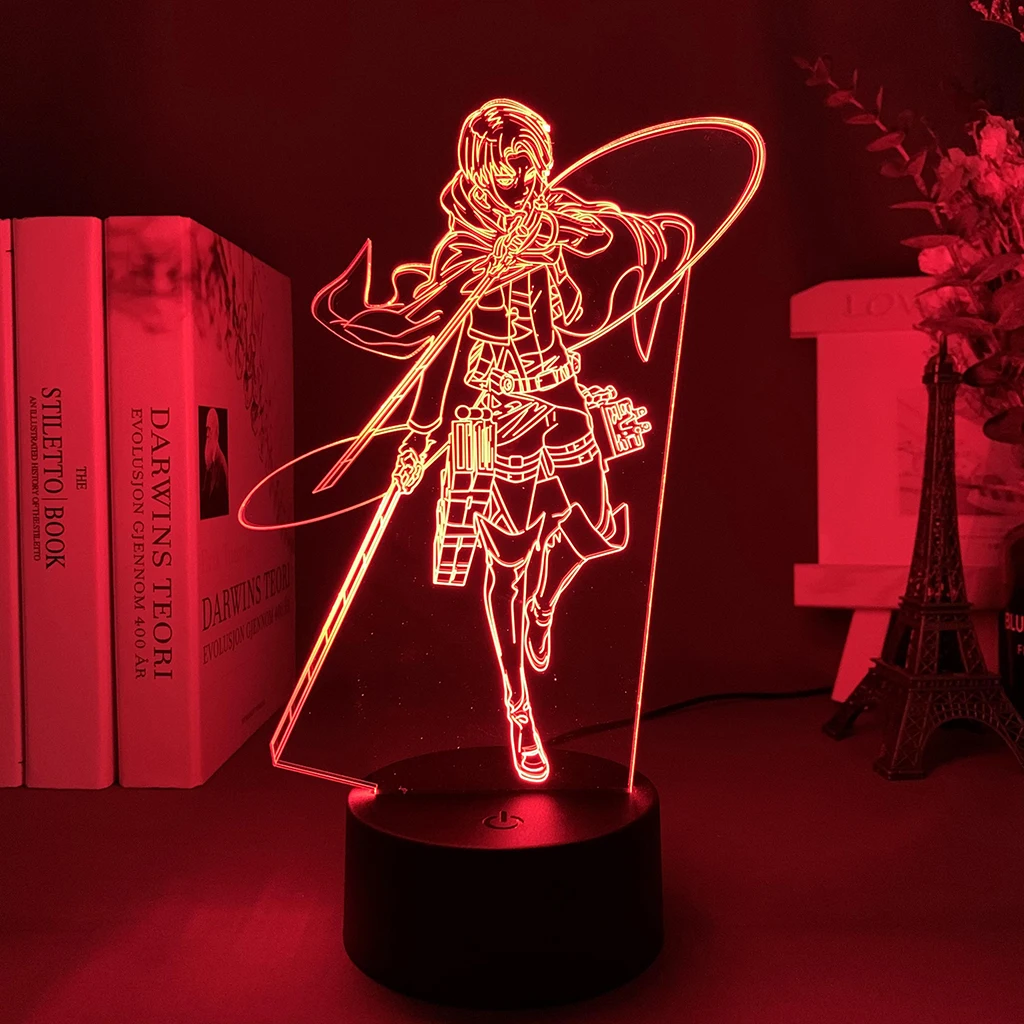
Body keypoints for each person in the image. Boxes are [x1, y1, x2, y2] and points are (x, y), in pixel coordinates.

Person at [315, 99, 691, 782]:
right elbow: (438, 349)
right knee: (508, 564)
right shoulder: (463, 252)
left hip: (563, 395)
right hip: (498, 412)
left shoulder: (550, 219)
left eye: (530, 165)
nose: (522, 179)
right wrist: (420, 438)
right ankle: (519, 709)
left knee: (603, 531)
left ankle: (546, 599)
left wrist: (561, 233)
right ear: (478, 169)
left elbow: (594, 246)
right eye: (507, 168)